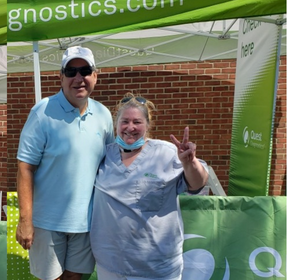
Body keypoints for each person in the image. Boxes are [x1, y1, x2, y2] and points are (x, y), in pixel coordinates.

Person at [16, 46, 114, 280]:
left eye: (85, 71)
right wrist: (25, 220)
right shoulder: (42, 112)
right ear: (61, 77)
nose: (78, 78)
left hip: (87, 221)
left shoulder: (104, 115)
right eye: (71, 72)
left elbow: (111, 166)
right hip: (47, 222)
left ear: (95, 76)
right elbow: (25, 167)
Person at [89, 92, 209, 280]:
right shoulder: (102, 154)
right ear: (116, 125)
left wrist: (190, 162)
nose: (130, 127)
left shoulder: (167, 153)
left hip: (156, 269)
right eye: (125, 121)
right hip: (110, 266)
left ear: (148, 125)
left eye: (137, 122)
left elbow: (198, 183)